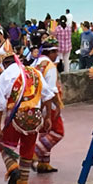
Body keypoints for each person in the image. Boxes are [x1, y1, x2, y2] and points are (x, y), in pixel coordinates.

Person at [0, 55, 56, 184]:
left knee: (5, 147)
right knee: (27, 150)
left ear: (6, 65)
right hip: (35, 118)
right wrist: (48, 117)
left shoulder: (6, 75)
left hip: (16, 117)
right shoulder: (35, 72)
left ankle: (13, 168)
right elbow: (48, 96)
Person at [33, 38, 64, 173]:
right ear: (50, 52)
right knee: (57, 132)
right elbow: (52, 91)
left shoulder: (36, 63)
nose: (57, 54)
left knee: (45, 132)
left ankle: (43, 164)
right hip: (47, 103)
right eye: (55, 51)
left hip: (35, 102)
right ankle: (34, 154)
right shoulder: (50, 66)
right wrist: (56, 107)